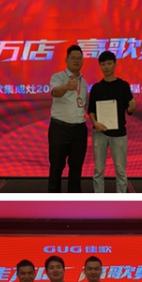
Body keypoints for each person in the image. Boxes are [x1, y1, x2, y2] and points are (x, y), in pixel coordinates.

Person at [88, 50, 137, 193]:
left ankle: (121, 198)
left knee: (120, 170)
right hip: (100, 133)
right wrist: (95, 123)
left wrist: (132, 106)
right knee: (98, 170)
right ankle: (98, 198)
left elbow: (129, 109)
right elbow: (91, 111)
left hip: (119, 134)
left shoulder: (123, 86)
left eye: (109, 63)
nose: (106, 67)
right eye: (103, 64)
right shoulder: (96, 88)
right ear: (100, 66)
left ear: (115, 64)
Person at [48, 44, 88, 193]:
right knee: (56, 167)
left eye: (79, 58)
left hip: (79, 130)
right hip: (60, 129)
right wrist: (66, 87)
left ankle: (74, 199)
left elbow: (83, 105)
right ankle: (54, 199)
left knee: (76, 168)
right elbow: (55, 92)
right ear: (66, 60)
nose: (77, 61)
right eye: (73, 58)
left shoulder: (84, 82)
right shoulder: (57, 77)